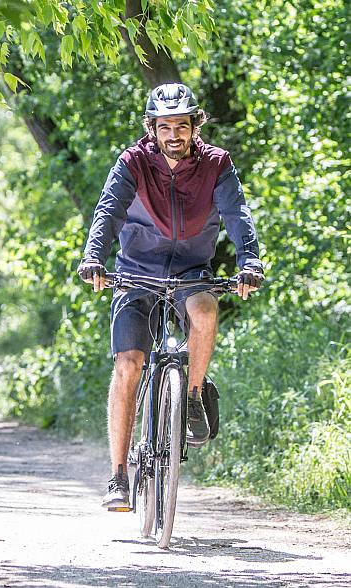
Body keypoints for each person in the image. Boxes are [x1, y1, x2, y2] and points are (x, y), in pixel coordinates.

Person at [76, 83, 265, 511]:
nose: (174, 134)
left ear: (196, 126)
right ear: (152, 129)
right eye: (165, 127)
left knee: (204, 311)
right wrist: (93, 257)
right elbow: (109, 210)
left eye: (182, 125)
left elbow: (238, 215)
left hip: (191, 270)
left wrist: (249, 262)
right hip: (134, 272)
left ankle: (193, 395)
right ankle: (119, 477)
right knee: (129, 365)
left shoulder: (217, 165)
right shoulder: (133, 162)